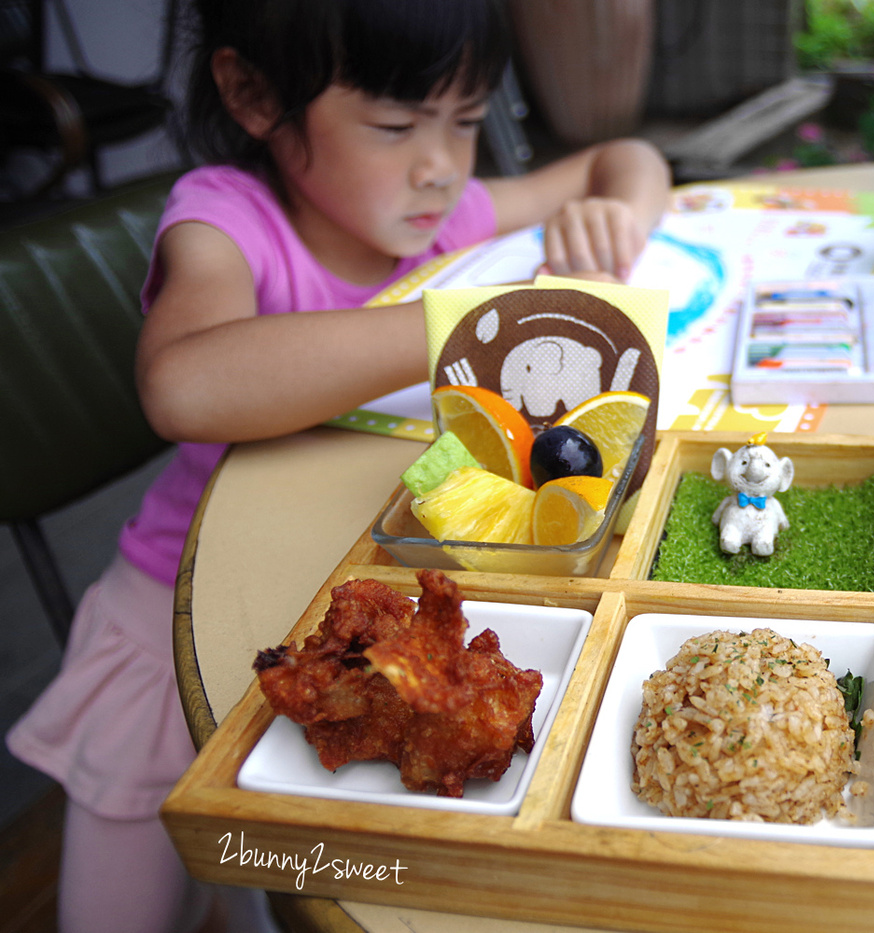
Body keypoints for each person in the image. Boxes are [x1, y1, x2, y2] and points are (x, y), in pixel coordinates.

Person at [4, 0, 671, 930]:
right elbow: (184, 384)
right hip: (178, 624)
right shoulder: (225, 219)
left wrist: (615, 212)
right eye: (396, 124)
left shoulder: (442, 215)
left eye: (469, 120)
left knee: (324, 887)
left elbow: (625, 159)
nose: (443, 165)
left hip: (362, 623)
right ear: (253, 93)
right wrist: (456, 323)